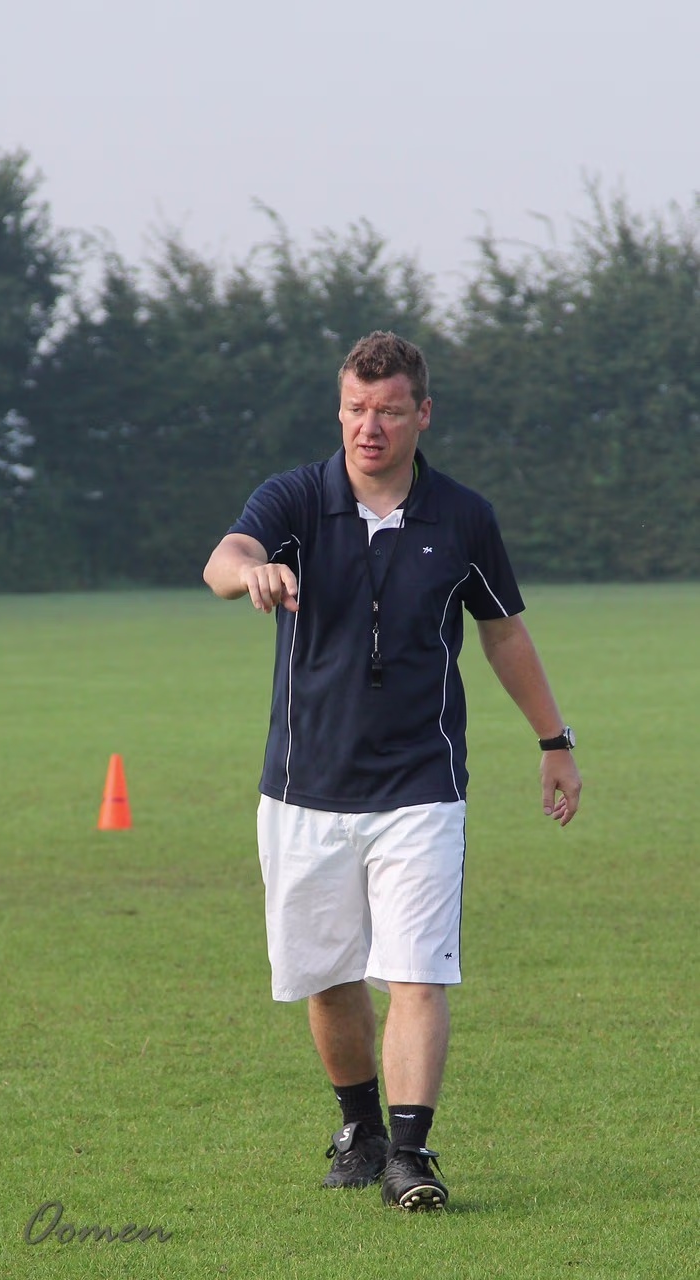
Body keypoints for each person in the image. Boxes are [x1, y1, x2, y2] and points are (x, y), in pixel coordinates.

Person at [202, 330, 581, 1212]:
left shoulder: (462, 515)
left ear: (422, 414)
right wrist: (253, 572)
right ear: (339, 411)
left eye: (388, 410)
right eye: (355, 408)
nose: (368, 427)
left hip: (420, 785)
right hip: (302, 789)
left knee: (415, 972)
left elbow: (502, 632)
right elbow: (222, 558)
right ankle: (360, 1130)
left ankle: (410, 1154)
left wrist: (552, 741)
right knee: (328, 976)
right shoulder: (296, 498)